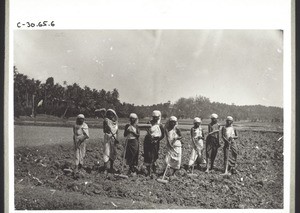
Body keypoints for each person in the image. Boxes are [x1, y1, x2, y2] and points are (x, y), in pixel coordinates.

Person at [143, 110, 164, 176]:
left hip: (156, 142)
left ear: (159, 117)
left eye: (156, 117)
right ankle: (148, 171)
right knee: (148, 156)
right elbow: (147, 131)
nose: (155, 118)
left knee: (154, 155)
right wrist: (150, 139)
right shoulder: (149, 123)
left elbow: (163, 135)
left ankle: (154, 170)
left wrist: (157, 140)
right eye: (154, 117)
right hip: (148, 142)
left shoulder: (160, 125)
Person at [103, 109, 118, 174]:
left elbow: (117, 131)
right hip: (107, 138)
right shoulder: (106, 121)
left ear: (114, 115)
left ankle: (111, 167)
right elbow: (104, 130)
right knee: (106, 152)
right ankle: (105, 168)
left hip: (114, 139)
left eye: (111, 114)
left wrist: (117, 139)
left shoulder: (116, 122)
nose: (110, 115)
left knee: (113, 152)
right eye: (109, 114)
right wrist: (107, 129)